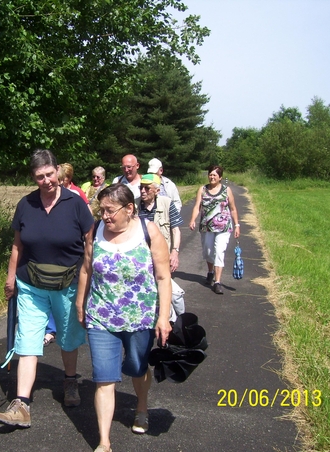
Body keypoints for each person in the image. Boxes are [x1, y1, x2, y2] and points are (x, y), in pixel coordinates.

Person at [0, 149, 94, 428]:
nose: (47, 180)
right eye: (40, 177)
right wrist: (10, 277)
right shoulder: (26, 204)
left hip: (68, 283)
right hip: (31, 283)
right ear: (33, 177)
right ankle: (21, 403)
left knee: (69, 336)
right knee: (27, 339)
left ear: (57, 170)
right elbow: (17, 245)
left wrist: (88, 279)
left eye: (50, 174)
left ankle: (70, 381)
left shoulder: (76, 204)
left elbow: (90, 244)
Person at [76, 183, 172, 452]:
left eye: (110, 210)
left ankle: (141, 406)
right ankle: (104, 442)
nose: (104, 216)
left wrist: (163, 317)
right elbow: (85, 269)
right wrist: (80, 304)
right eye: (101, 210)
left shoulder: (148, 232)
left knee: (137, 369)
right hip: (101, 317)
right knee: (103, 378)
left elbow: (164, 277)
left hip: (139, 318)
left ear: (129, 209)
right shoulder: (95, 231)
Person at [138, 174, 186, 320]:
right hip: (142, 258)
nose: (143, 191)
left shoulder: (167, 203)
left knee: (173, 293)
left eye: (147, 188)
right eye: (141, 188)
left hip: (162, 257)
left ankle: (181, 321)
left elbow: (176, 230)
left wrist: (175, 252)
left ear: (157, 191)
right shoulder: (134, 206)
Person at [189, 165, 240, 295]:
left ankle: (217, 282)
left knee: (219, 251)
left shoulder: (226, 190)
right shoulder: (202, 189)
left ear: (220, 177)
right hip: (206, 227)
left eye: (215, 175)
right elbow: (197, 207)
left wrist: (237, 225)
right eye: (210, 175)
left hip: (224, 227)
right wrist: (193, 219)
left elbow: (233, 209)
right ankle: (210, 271)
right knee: (208, 251)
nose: (212, 177)